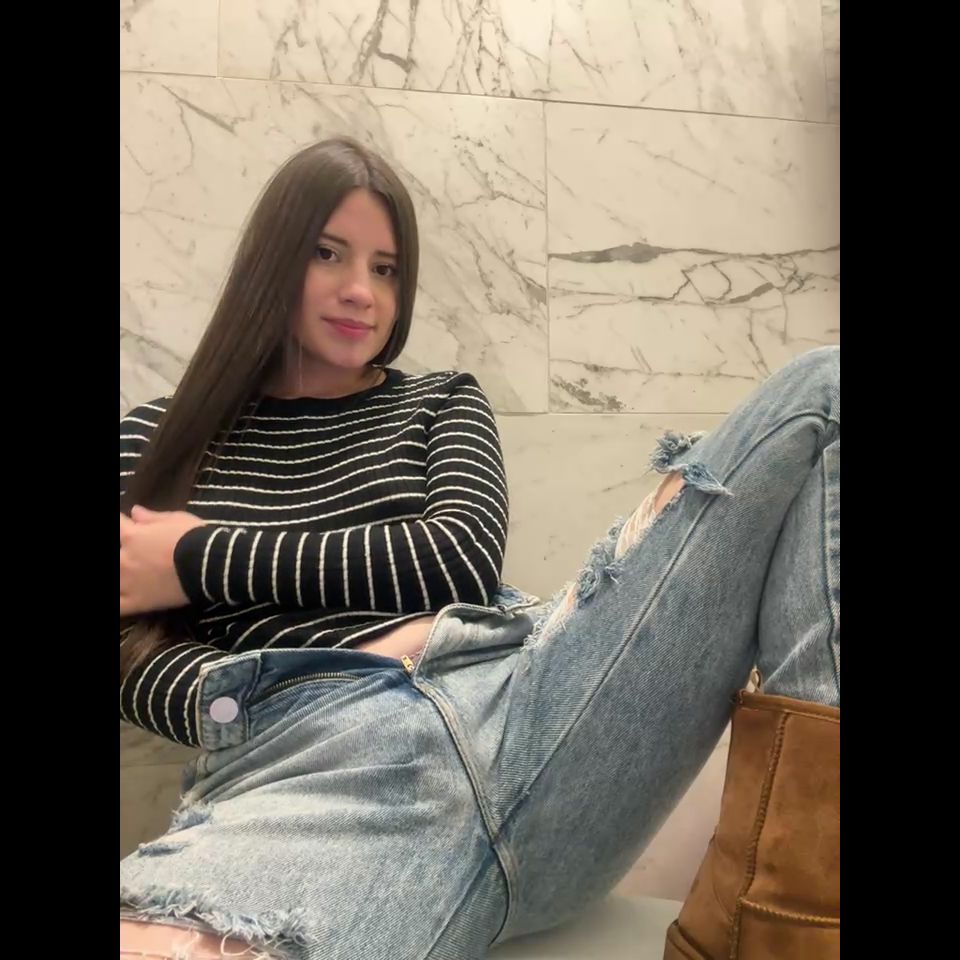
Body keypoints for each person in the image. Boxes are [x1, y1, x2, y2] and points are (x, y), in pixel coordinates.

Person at [119, 137, 839, 960]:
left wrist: (195, 556)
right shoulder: (157, 439)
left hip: (536, 702)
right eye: (327, 254)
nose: (361, 291)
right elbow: (127, 652)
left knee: (825, 391)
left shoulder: (440, 402)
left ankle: (791, 913)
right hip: (318, 771)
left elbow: (458, 555)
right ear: (271, 260)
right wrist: (274, 693)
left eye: (387, 269)